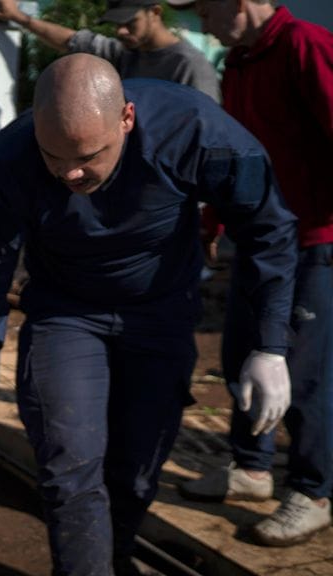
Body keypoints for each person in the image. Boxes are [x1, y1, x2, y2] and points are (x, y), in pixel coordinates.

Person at [0, 53, 297, 575]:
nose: (70, 172)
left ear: (127, 119)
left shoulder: (196, 131)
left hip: (160, 312)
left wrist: (269, 344)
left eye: (89, 155)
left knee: (136, 472)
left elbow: (268, 229)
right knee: (69, 465)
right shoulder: (12, 158)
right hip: (66, 312)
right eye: (54, 155)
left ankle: (112, 558)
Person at [169, 0, 333, 547]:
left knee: (302, 372)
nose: (202, 26)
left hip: (314, 241)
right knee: (243, 355)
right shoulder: (238, 62)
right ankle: (252, 469)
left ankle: (313, 492)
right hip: (260, 241)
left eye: (204, 12)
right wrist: (214, 221)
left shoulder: (305, 45)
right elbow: (235, 157)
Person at [0, 0, 220, 102]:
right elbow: (71, 40)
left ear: (155, 13)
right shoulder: (125, 53)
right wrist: (20, 17)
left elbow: (207, 129)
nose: (120, 31)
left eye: (130, 22)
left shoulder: (189, 65)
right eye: (116, 24)